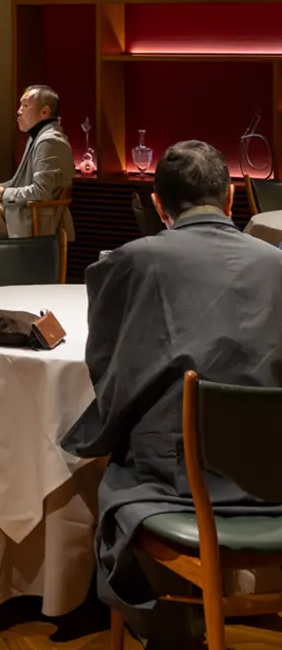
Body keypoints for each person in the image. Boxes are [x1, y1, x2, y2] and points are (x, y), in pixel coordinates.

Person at [62, 141, 282, 648]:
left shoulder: (131, 262)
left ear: (158, 205)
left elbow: (112, 371)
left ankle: (167, 626)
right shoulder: (277, 264)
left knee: (112, 454)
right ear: (231, 198)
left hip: (177, 482)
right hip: (274, 475)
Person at [0, 84, 75, 239]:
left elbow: (41, 192)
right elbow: (22, 182)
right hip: (18, 210)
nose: (19, 111)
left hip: (27, 217)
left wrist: (4, 193)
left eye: (25, 106)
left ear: (44, 112)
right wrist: (0, 188)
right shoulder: (37, 137)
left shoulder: (49, 141)